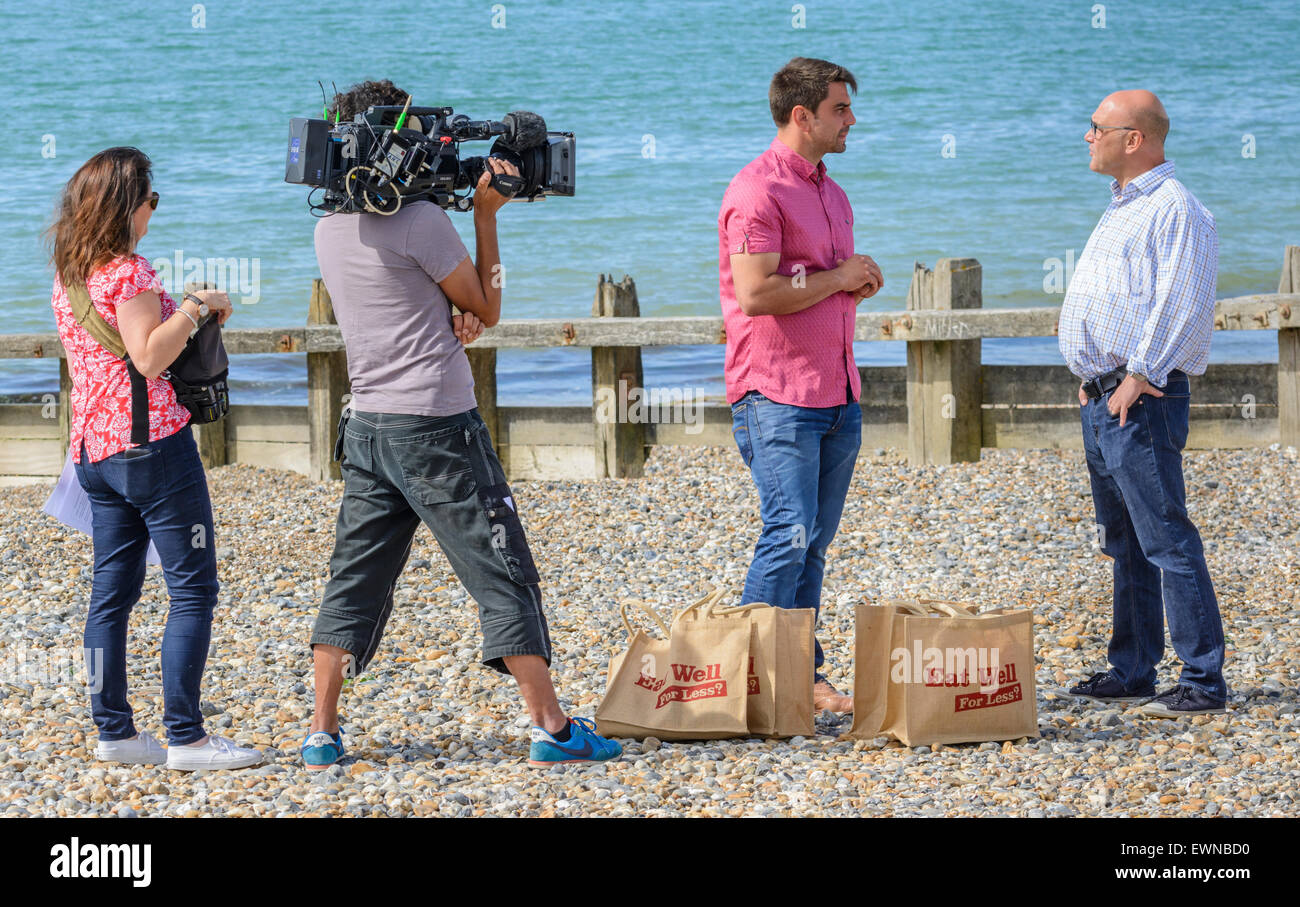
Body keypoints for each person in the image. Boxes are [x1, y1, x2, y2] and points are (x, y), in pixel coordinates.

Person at [302, 80, 621, 769]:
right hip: (438, 427)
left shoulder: (329, 227)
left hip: (368, 426)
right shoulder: (420, 223)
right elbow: (489, 303)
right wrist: (486, 213)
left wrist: (451, 317)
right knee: (501, 566)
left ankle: (321, 731)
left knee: (354, 575)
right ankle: (553, 727)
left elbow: (411, 303)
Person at [48, 147, 262, 769]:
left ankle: (114, 732)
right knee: (192, 589)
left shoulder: (70, 273)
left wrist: (187, 313)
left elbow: (120, 349)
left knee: (111, 592)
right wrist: (194, 307)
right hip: (152, 452)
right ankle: (187, 738)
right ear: (126, 206)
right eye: (151, 199)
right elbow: (147, 357)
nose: (153, 210)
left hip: (93, 450)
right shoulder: (131, 272)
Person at [718, 58, 883, 714]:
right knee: (787, 532)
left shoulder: (832, 193)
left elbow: (819, 287)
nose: (851, 119)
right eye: (841, 108)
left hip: (838, 392)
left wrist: (854, 285)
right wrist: (840, 279)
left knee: (812, 541)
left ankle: (805, 680)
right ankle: (746, 686)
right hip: (775, 394)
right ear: (802, 115)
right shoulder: (756, 191)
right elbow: (756, 293)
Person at [1058, 90, 1227, 717]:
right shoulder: (1123, 205)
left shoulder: (1175, 207)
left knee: (1165, 540)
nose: (1087, 136)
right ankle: (1132, 669)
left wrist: (1137, 374)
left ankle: (1202, 681)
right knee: (1123, 542)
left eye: (1096, 127)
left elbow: (1182, 301)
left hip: (1141, 398)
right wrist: (1094, 373)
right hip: (1105, 395)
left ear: (1135, 138)